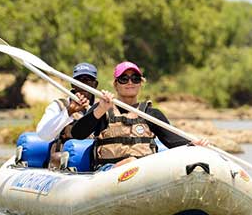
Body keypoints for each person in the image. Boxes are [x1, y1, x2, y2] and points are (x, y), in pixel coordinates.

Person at [71, 61, 208, 170]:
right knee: (131, 162)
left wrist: (192, 144)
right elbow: (78, 133)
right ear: (116, 84)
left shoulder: (151, 114)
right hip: (109, 172)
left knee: (136, 164)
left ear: (140, 83)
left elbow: (173, 141)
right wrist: (100, 110)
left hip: (144, 172)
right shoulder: (102, 108)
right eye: (124, 79)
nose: (130, 82)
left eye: (135, 79)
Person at [36, 62, 98, 167]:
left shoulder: (101, 107)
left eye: (87, 80)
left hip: (93, 163)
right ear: (72, 84)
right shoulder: (59, 106)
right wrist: (69, 111)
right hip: (64, 164)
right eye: (79, 80)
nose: (83, 84)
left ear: (95, 84)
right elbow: (43, 135)